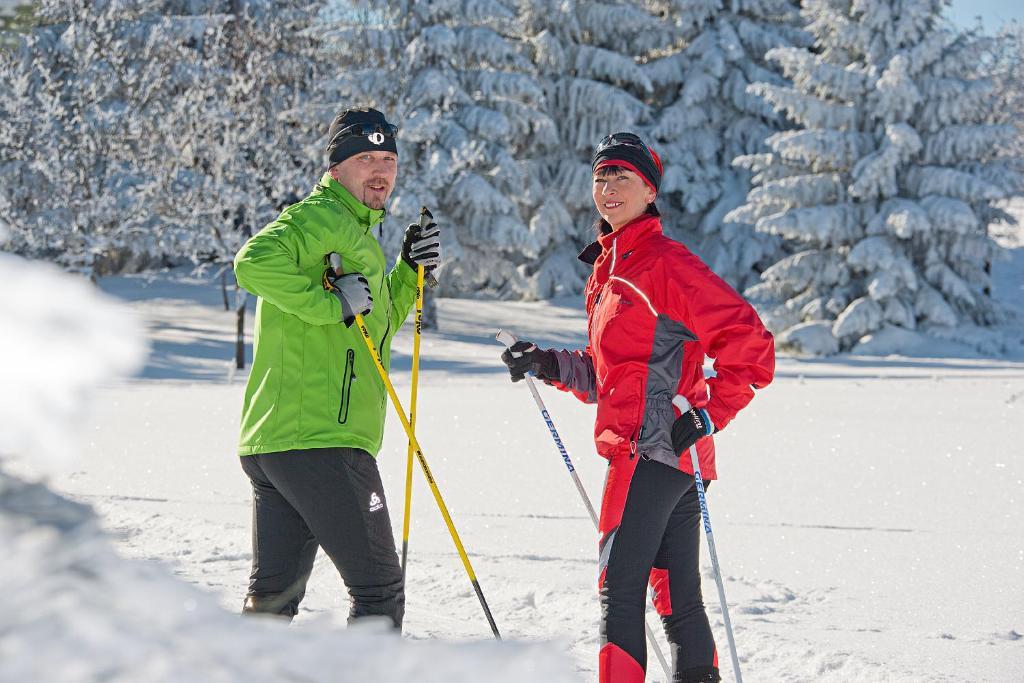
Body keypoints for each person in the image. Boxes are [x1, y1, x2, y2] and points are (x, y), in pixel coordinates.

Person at [501, 133, 775, 682]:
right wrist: (547, 363)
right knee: (676, 597)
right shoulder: (609, 271)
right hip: (672, 462)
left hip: (648, 454)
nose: (608, 188)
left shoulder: (664, 265)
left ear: (650, 191)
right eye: (601, 176)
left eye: (622, 177)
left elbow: (751, 344)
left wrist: (710, 414)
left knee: (618, 592)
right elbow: (614, 375)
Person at [232, 107, 441, 626]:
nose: (380, 170)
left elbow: (376, 326)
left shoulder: (356, 235)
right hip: (322, 438)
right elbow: (252, 263)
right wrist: (330, 305)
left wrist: (407, 271)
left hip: (280, 443)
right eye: (366, 157)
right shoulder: (318, 219)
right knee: (379, 594)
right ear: (337, 167)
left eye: (388, 158)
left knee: (272, 603)